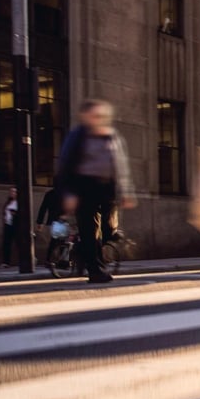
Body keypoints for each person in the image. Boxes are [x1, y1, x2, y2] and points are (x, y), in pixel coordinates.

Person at [55, 100, 137, 284]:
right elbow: (65, 164)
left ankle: (88, 254)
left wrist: (126, 190)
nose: (98, 119)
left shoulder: (112, 136)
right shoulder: (77, 136)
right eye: (94, 116)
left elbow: (121, 165)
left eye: (101, 116)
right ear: (85, 117)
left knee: (109, 230)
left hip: (108, 188)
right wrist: (68, 193)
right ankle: (96, 271)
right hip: (84, 187)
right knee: (90, 232)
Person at [36, 187, 63, 265]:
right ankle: (54, 260)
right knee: (59, 241)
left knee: (56, 241)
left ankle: (51, 259)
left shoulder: (50, 194)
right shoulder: (63, 193)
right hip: (60, 221)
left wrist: (40, 222)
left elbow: (43, 208)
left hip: (53, 221)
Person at [0, 187, 18, 268]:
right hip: (8, 224)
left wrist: (15, 213)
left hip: (16, 225)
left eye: (14, 192)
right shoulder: (9, 202)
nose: (12, 193)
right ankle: (6, 262)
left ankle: (27, 260)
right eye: (11, 191)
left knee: (19, 244)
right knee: (6, 243)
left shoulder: (19, 202)